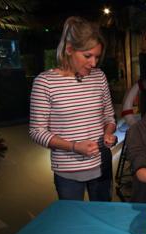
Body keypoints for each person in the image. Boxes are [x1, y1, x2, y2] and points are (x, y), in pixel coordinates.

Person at [29, 16, 116, 201]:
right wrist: (74, 147)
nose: (93, 63)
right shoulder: (45, 82)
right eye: (87, 56)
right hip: (68, 172)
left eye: (97, 57)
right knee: (74, 221)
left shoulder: (99, 77)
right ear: (69, 49)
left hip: (102, 164)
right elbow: (37, 131)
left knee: (102, 219)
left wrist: (109, 133)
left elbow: (109, 117)